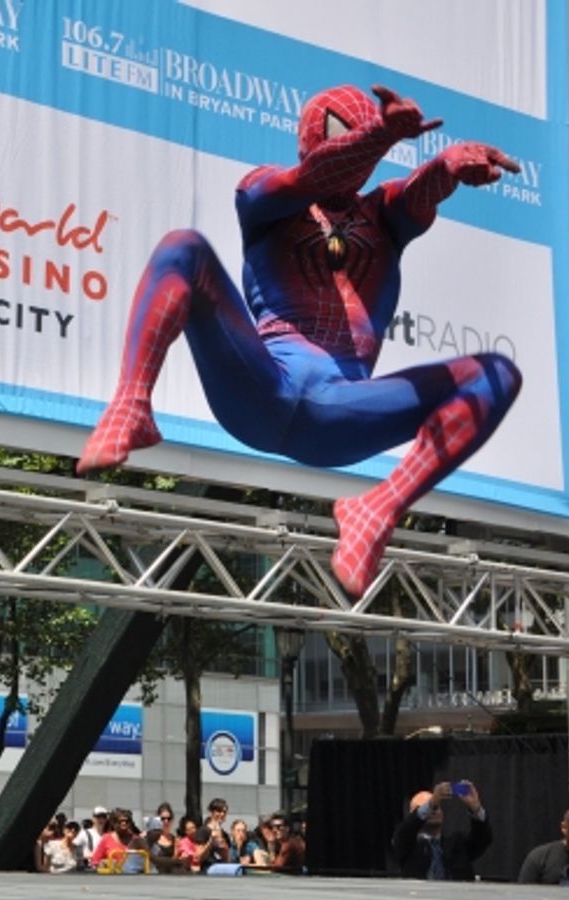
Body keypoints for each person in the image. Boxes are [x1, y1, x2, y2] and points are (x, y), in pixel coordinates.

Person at [77, 84, 522, 598]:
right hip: (263, 384)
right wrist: (379, 134)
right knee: (183, 248)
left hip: (340, 410)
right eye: (346, 135)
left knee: (496, 376)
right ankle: (131, 403)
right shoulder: (263, 195)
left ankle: (376, 510)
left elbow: (418, 190)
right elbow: (314, 176)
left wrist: (448, 166)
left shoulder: (383, 217)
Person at [391, 780, 491, 881]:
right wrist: (431, 804)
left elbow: (483, 839)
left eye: (437, 807)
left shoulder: (457, 844)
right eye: (428, 808)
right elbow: (404, 831)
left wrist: (475, 809)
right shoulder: (407, 845)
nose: (434, 811)